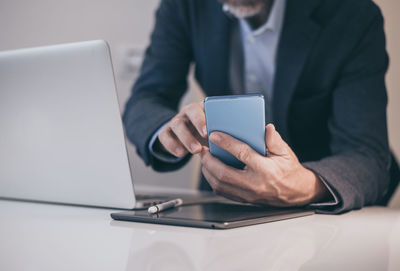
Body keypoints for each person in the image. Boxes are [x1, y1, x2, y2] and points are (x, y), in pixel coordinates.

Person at [123, 0, 399, 213]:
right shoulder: (185, 5)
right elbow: (144, 101)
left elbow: (367, 156)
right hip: (223, 202)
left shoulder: (353, 14)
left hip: (321, 212)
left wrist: (304, 185)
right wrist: (168, 130)